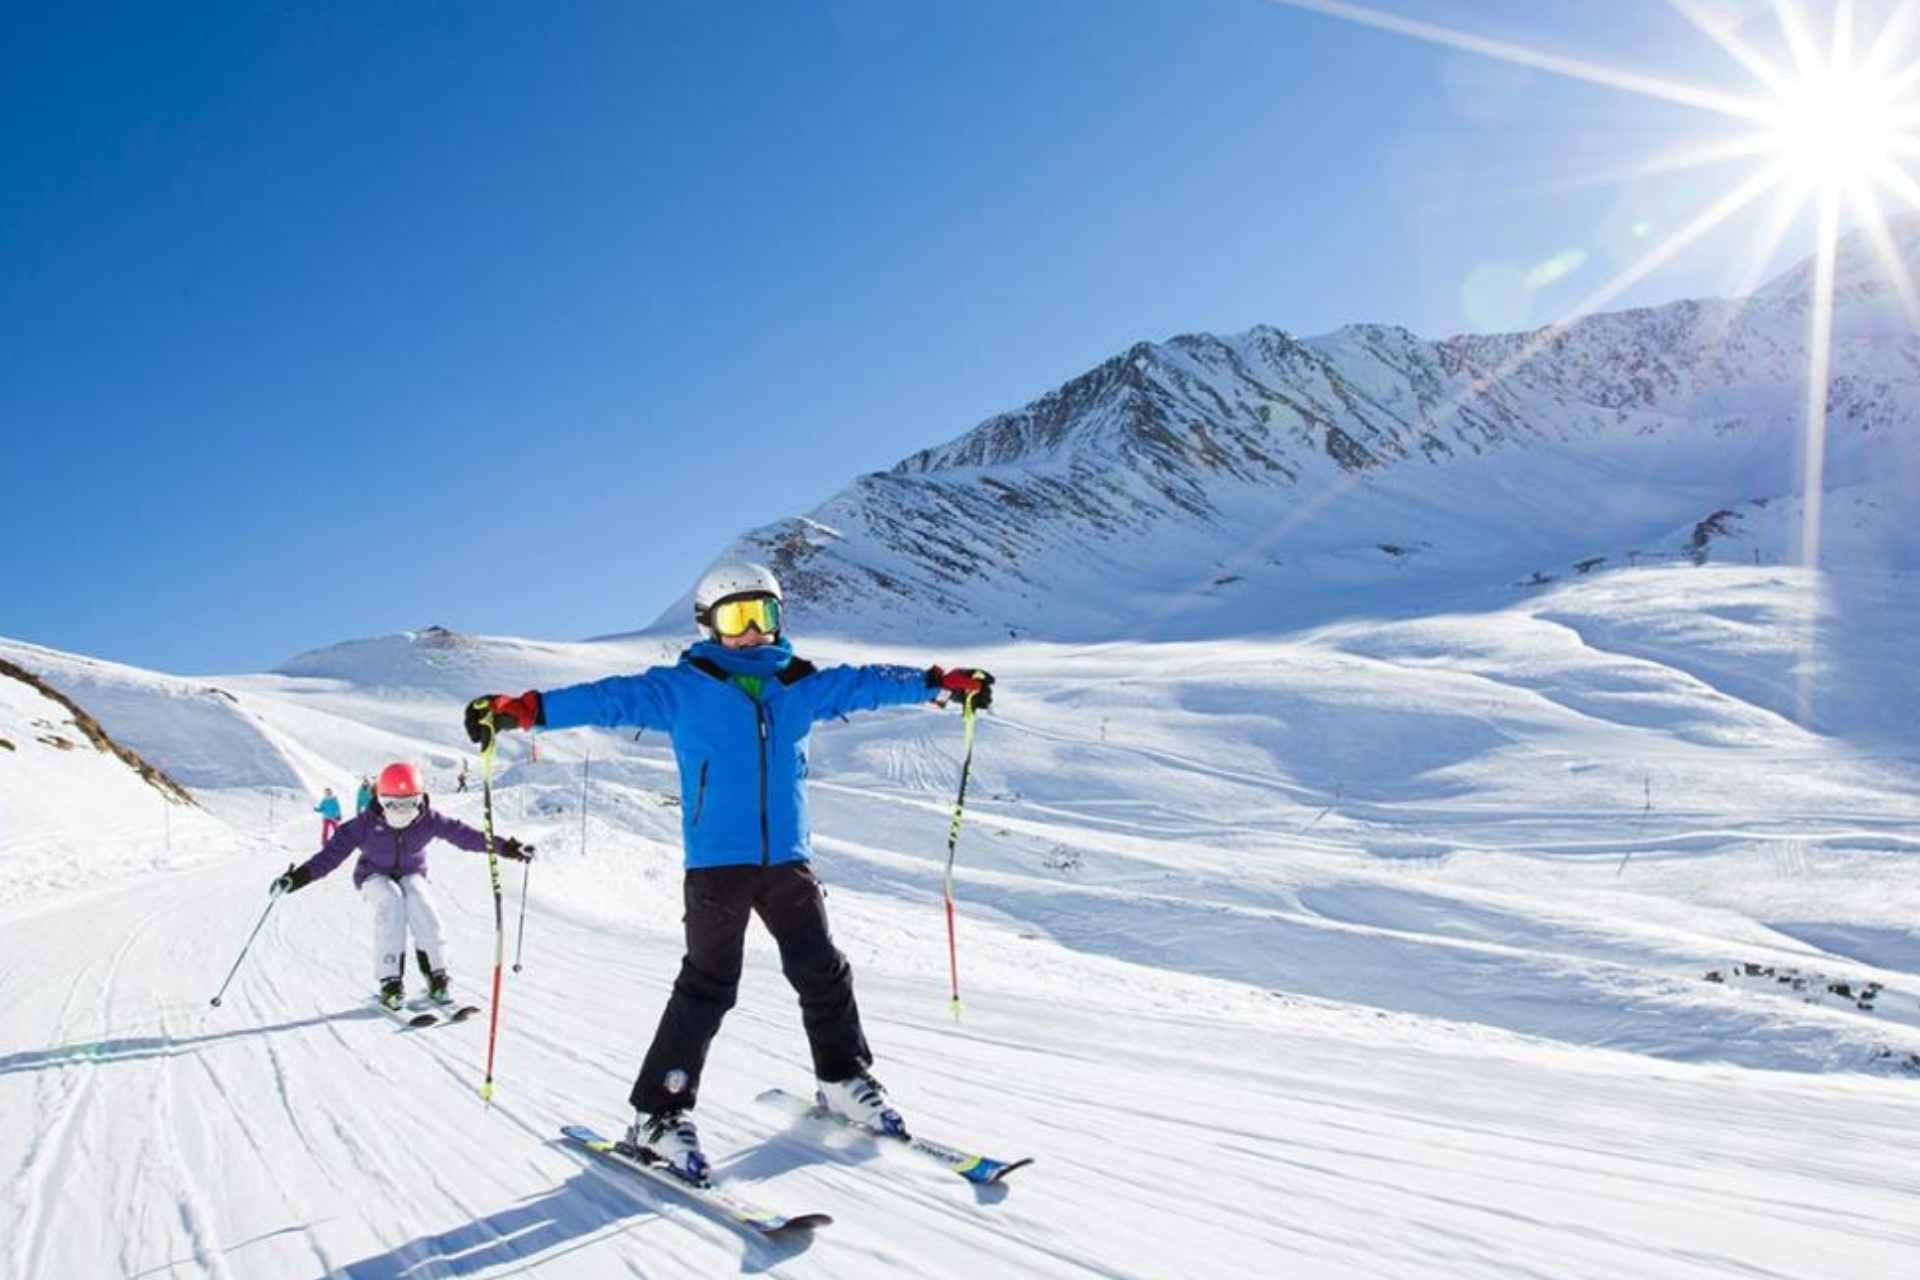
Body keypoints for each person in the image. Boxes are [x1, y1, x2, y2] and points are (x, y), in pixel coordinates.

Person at [464, 561, 993, 1185]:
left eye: (762, 616)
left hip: (788, 860)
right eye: (735, 618)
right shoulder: (681, 688)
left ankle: (844, 1078)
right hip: (718, 863)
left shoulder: (798, 684)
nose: (750, 632)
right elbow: (604, 698)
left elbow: (863, 684)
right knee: (710, 985)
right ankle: (659, 1114)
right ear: (708, 626)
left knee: (822, 968)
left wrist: (939, 683)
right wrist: (523, 711)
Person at [272, 761, 534, 1010]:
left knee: (420, 901)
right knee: (391, 901)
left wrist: (507, 848)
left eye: (409, 803)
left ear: (419, 798)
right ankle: (390, 982)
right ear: (380, 799)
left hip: (411, 873)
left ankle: (437, 975)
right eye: (393, 804)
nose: (402, 811)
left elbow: (467, 836)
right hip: (373, 875)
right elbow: (329, 857)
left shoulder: (428, 820)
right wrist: (297, 878)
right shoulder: (363, 825)